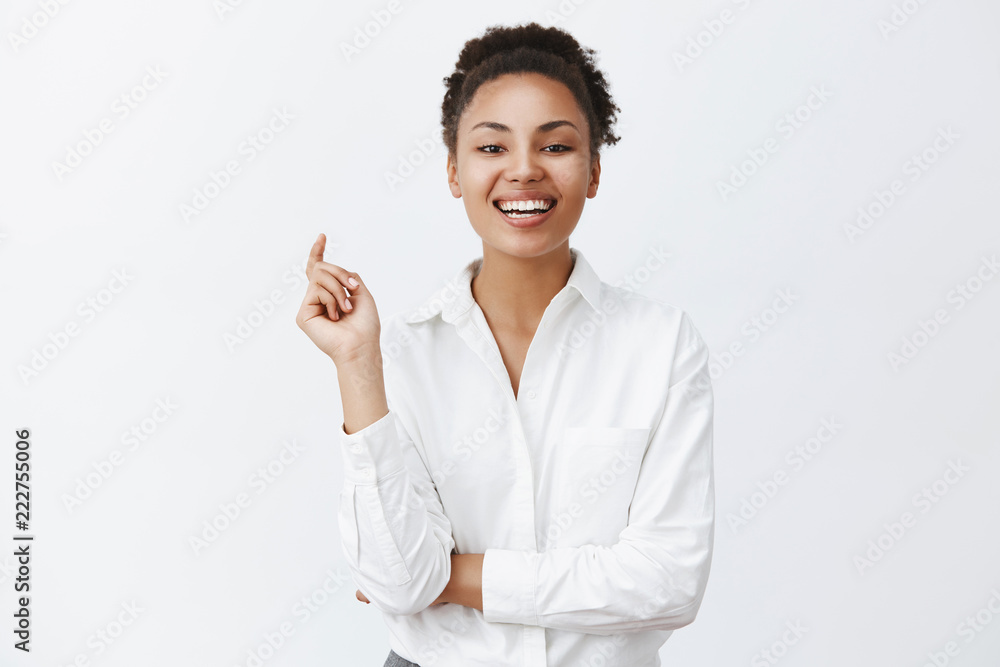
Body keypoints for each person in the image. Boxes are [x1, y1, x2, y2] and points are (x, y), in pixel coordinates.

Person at [296, 21, 715, 667]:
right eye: (492, 148)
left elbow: (667, 583)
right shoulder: (401, 354)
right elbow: (397, 576)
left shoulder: (660, 344)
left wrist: (454, 577)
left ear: (594, 169)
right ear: (453, 171)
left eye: (556, 145)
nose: (523, 170)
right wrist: (357, 363)